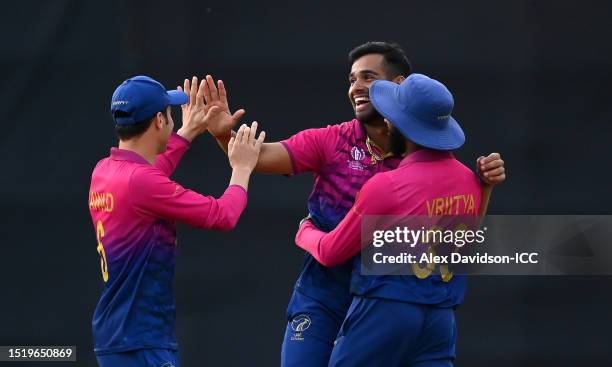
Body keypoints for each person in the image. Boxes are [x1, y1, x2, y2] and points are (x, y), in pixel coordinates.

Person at [203, 41, 505, 366]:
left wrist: (303, 231)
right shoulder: (333, 140)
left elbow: (455, 241)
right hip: (324, 298)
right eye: (351, 80)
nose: (356, 88)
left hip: (382, 304)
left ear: (399, 88)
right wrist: (225, 136)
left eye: (368, 77)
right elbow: (256, 158)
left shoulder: (427, 165)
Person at [295, 73, 481, 366]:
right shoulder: (470, 180)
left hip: (385, 313)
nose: (385, 120)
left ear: (397, 125)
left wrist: (305, 230)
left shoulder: (387, 186)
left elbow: (331, 252)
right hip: (440, 321)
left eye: (390, 115)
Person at [88, 75, 264, 367]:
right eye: (170, 111)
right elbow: (223, 215)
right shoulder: (141, 182)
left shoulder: (104, 170)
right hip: (142, 340)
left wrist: (187, 132)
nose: (173, 116)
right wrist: (242, 167)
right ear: (159, 120)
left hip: (118, 334)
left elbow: (148, 177)